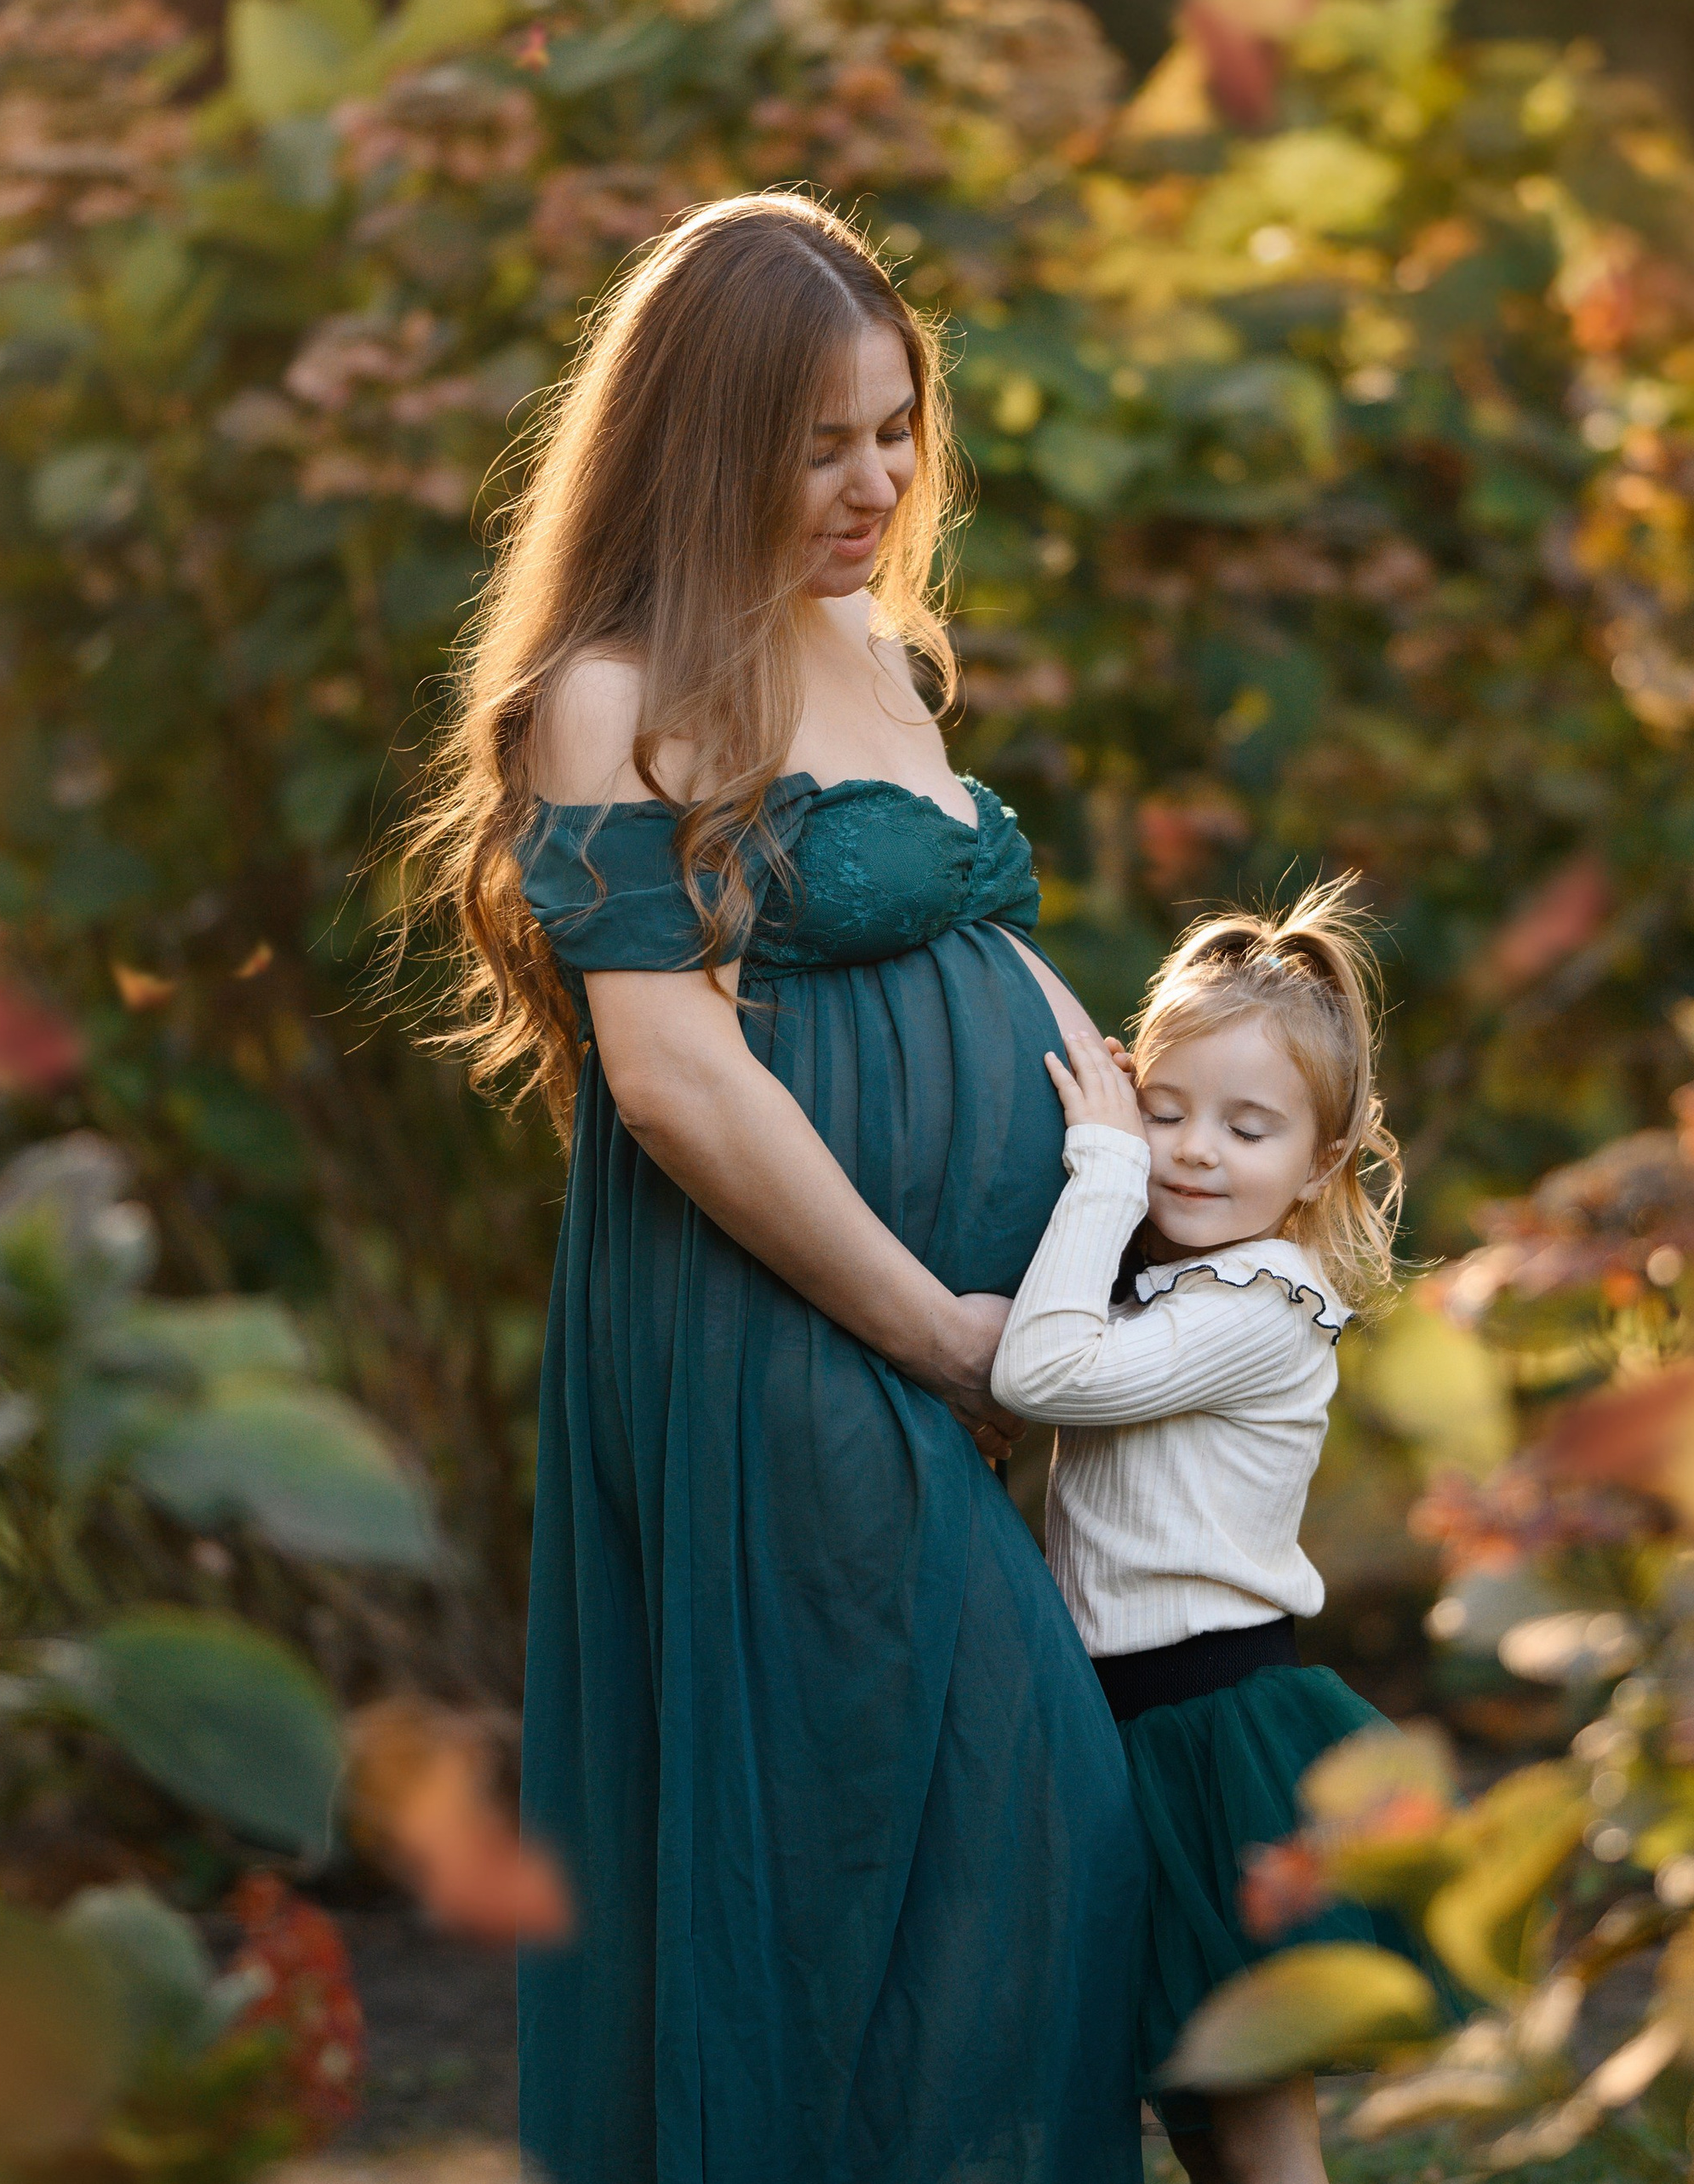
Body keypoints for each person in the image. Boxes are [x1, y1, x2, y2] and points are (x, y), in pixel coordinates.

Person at [403, 192, 1146, 2182]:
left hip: (980, 1329)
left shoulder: (867, 643)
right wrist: (938, 1330)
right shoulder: (616, 691)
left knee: (975, 1843)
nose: (877, 480)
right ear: (702, 437)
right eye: (820, 441)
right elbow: (672, 1078)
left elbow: (978, 935)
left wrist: (1158, 1167)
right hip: (786, 1325)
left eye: (896, 427)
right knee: (949, 1826)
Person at [991, 885, 1418, 2184]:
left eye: (1247, 1126)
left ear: (1319, 1164)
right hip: (1120, 1720)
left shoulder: (1263, 1300)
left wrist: (1103, 1161)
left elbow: (1043, 1370)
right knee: (1182, 2095)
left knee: (1249, 2101)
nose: (1191, 1151)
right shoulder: (1172, 1276)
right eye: (1163, 1110)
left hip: (1212, 1725)